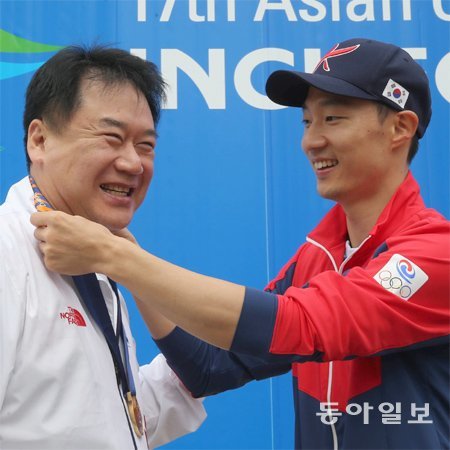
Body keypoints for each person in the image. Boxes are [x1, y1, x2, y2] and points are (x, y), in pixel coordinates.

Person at [31, 38, 450, 449]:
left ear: (400, 127)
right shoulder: (318, 256)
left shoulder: (434, 255)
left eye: (334, 119)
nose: (312, 140)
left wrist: (116, 257)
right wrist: (130, 259)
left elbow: (302, 324)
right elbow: (209, 366)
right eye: (307, 121)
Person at [0, 45, 206, 450]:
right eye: (111, 138)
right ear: (39, 140)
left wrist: (209, 365)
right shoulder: (7, 253)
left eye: (145, 145)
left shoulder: (95, 257)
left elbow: (100, 416)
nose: (133, 164)